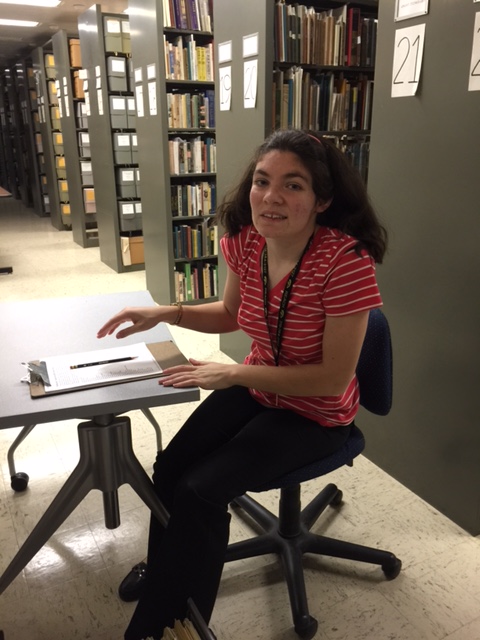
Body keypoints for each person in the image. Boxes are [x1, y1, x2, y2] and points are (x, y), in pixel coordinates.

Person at [96, 128, 388, 640]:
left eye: (293, 186)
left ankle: (171, 624)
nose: (271, 197)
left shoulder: (346, 262)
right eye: (262, 180)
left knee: (203, 490)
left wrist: (231, 372)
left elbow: (331, 377)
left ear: (322, 200)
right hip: (259, 387)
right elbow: (232, 313)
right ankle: (164, 570)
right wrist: (167, 312)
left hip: (315, 413)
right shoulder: (246, 241)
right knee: (172, 466)